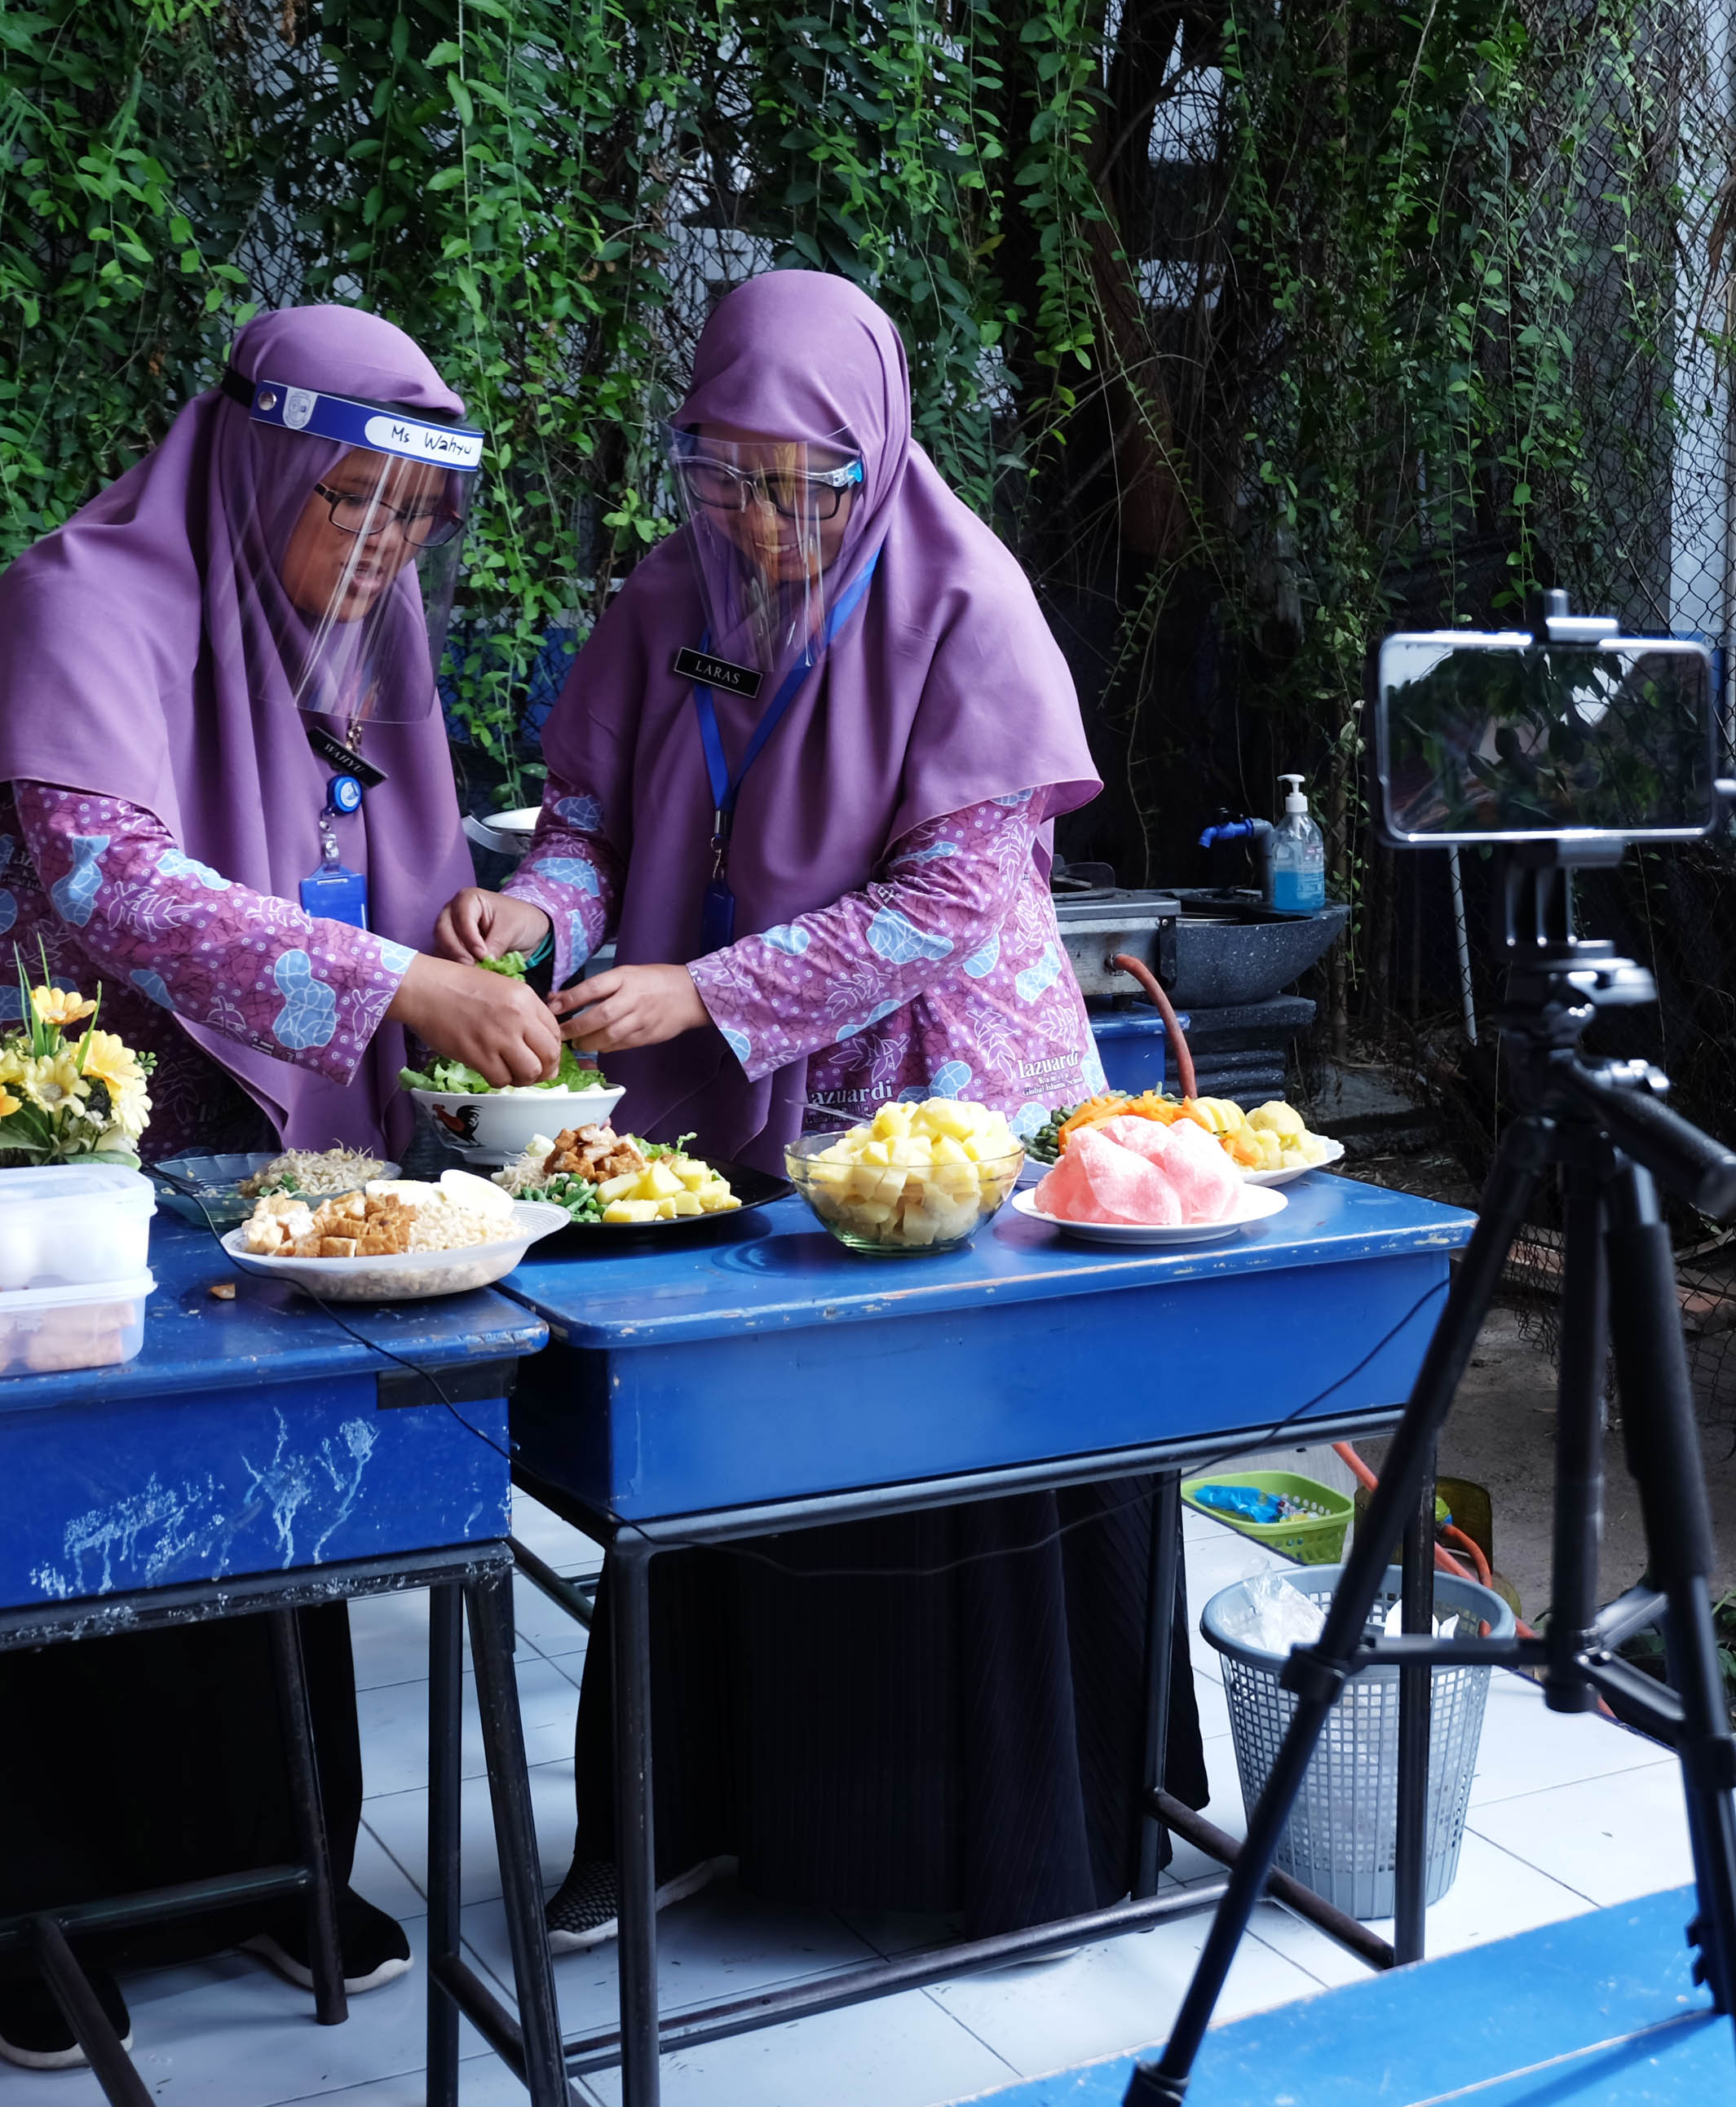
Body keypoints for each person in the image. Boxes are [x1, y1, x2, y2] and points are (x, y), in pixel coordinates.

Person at [433, 268, 1204, 1949]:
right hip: (727, 1093)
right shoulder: (689, 605)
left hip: (933, 1097)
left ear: (873, 454)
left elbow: (946, 900)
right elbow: (599, 806)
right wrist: (542, 913)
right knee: (713, 1437)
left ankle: (990, 1844)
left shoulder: (956, 607)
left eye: (807, 487)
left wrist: (704, 987)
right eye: (729, 478)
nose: (770, 522)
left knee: (948, 1450)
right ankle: (689, 1815)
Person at [0, 305, 559, 2068]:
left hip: (229, 1124)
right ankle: (34, 1905)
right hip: (18, 1112)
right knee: (39, 1486)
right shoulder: (75, 601)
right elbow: (117, 885)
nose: (382, 555)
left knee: (259, 1455)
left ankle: (268, 1857)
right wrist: (402, 988)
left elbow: (360, 849)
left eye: (413, 524)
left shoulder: (355, 630)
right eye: (352, 510)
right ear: (253, 462)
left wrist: (459, 919)